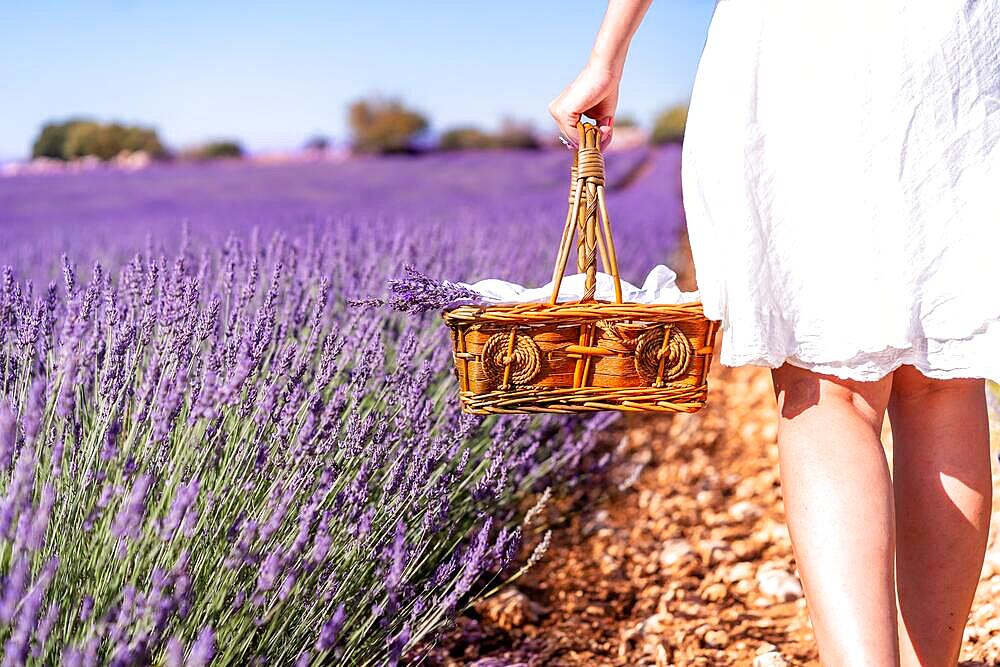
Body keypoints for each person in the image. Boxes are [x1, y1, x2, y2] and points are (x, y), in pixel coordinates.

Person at [549, 1, 999, 665]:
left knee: (831, 389)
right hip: (951, 38)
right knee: (943, 378)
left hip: (803, 42)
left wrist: (606, 55)